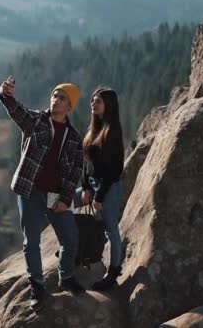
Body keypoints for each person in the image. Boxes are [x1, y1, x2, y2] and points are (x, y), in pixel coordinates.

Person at [0, 76, 85, 310]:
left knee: (71, 239)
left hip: (56, 195)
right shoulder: (36, 121)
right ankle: (36, 285)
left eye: (62, 98)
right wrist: (6, 95)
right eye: (55, 95)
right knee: (32, 242)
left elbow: (75, 171)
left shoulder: (75, 138)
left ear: (70, 106)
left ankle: (65, 277)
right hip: (30, 191)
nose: (56, 100)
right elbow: (17, 111)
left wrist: (66, 199)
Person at [76, 87, 124, 291]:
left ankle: (113, 273)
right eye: (93, 100)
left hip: (108, 187)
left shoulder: (112, 131)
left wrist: (100, 196)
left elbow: (114, 170)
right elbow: (86, 164)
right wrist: (86, 187)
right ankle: (73, 250)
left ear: (109, 105)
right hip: (93, 185)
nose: (93, 104)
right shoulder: (94, 129)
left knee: (111, 230)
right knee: (58, 203)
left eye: (98, 101)